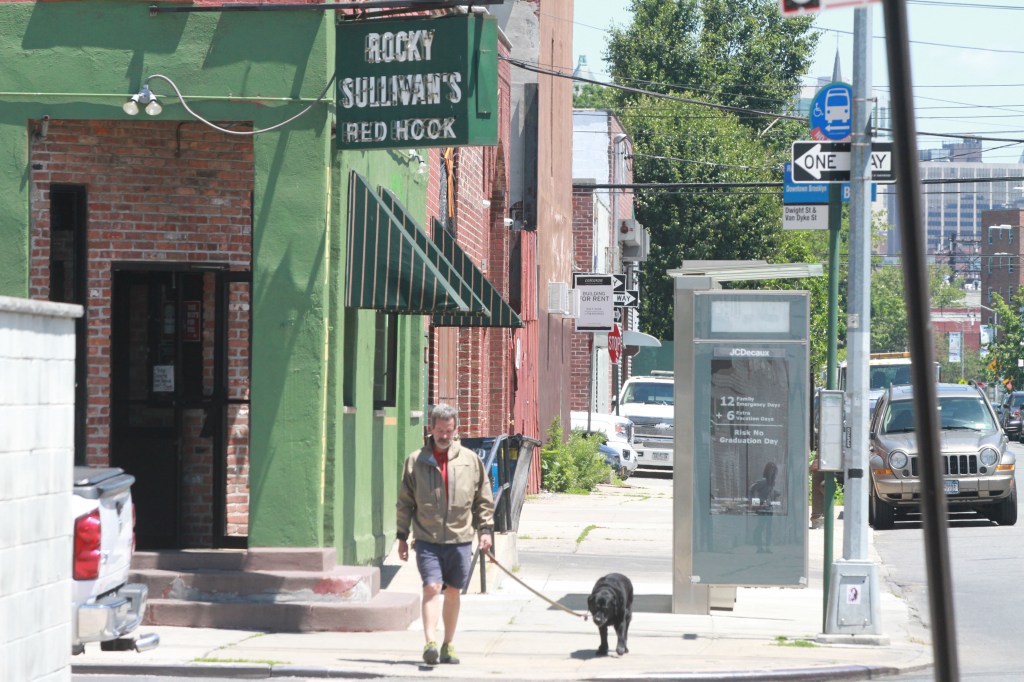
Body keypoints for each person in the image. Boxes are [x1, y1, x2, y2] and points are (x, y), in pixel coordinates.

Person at [395, 403, 494, 666]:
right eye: (440, 430)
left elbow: (483, 498)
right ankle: (429, 642)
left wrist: (485, 530)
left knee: (453, 592)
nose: (444, 436)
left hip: (460, 539)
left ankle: (448, 644)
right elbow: (405, 501)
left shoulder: (470, 461)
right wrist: (402, 536)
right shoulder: (416, 461)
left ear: (455, 430)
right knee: (431, 587)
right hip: (427, 539)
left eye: (449, 431)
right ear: (432, 428)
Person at [749, 461, 780, 554]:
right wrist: (756, 503)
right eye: (771, 470)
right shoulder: (763, 481)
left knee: (768, 528)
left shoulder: (772, 483)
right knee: (760, 528)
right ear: (767, 471)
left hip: (769, 508)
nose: (773, 472)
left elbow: (768, 494)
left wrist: (775, 494)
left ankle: (767, 548)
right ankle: (759, 547)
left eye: (774, 470)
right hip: (762, 509)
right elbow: (751, 490)